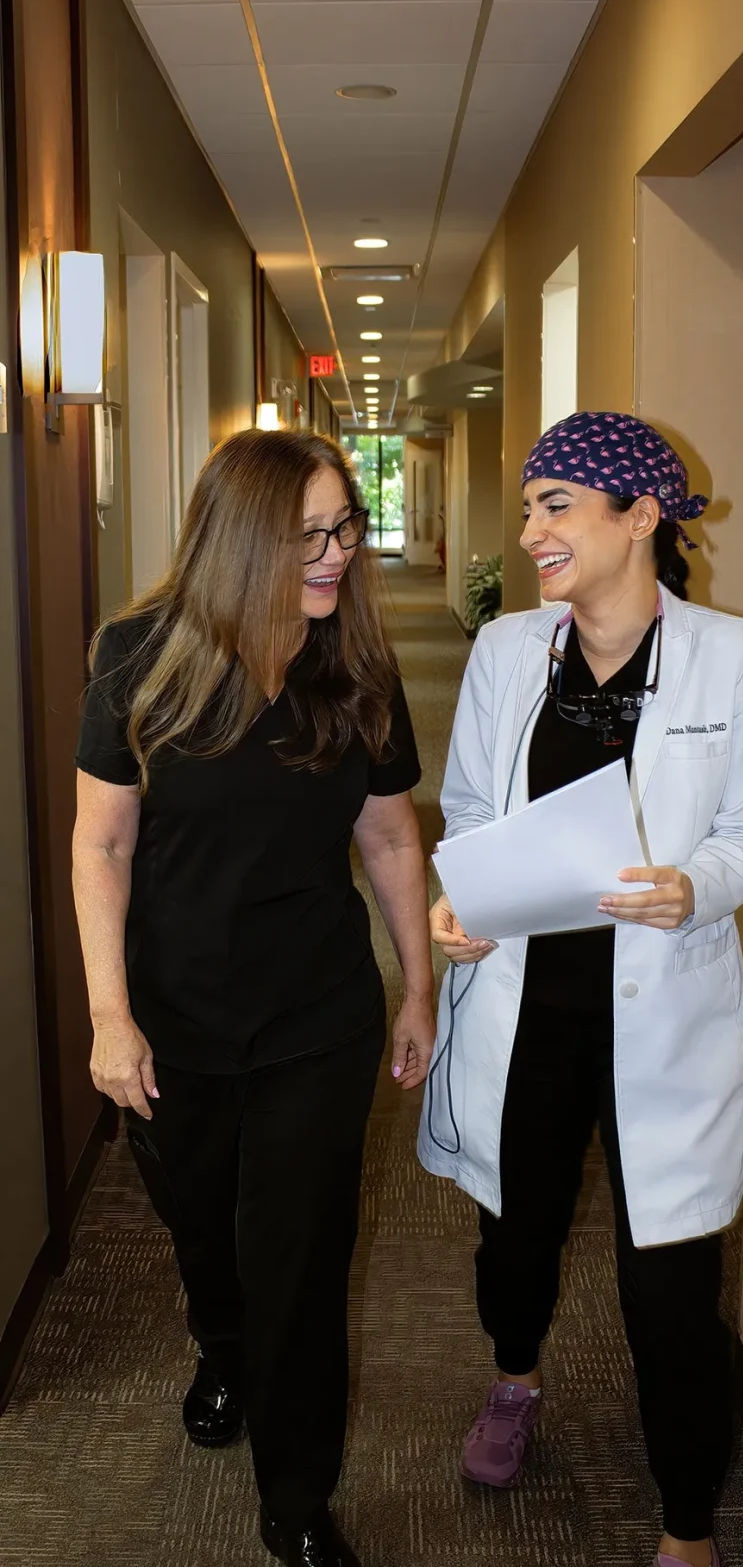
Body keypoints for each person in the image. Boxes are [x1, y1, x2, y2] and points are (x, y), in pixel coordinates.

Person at [419, 412, 743, 1567]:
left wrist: (698, 885)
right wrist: (455, 900)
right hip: (526, 1002)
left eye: (555, 505)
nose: (529, 530)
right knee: (513, 1237)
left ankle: (686, 1526)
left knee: (670, 1284)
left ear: (641, 518)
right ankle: (516, 1377)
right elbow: (472, 811)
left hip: (660, 1015)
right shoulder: (503, 650)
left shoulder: (734, 657)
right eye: (528, 506)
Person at [73, 429, 435, 1567]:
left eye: (346, 529)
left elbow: (386, 833)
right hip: (173, 1015)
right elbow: (102, 845)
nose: (336, 556)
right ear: (239, 541)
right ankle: (219, 1345)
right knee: (201, 1228)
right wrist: (108, 1013)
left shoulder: (356, 665)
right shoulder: (139, 656)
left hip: (317, 1016)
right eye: (311, 536)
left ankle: (295, 1498)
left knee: (302, 1254)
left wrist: (418, 985)